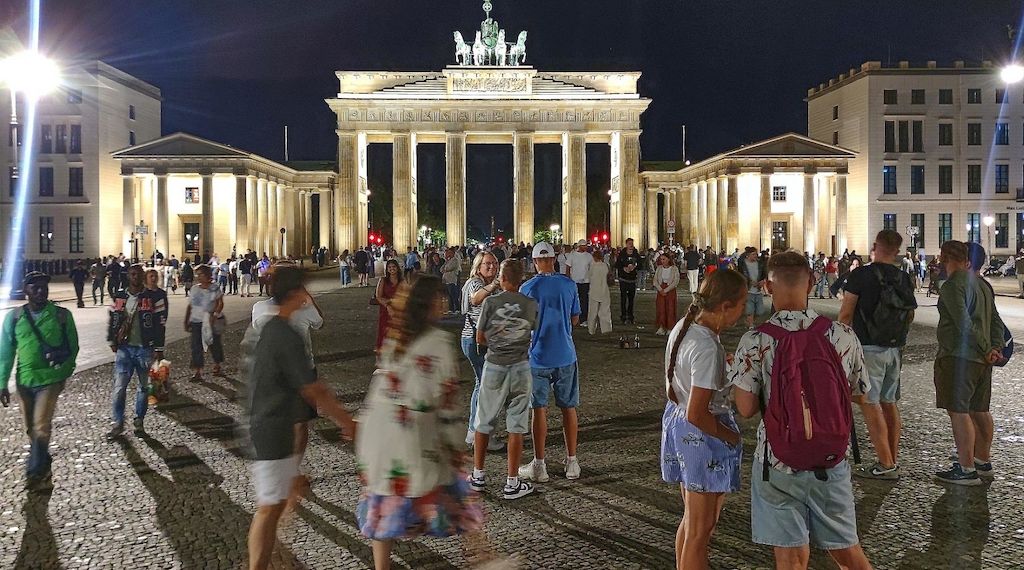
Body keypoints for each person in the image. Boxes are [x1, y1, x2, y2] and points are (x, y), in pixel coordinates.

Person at [727, 251, 871, 570]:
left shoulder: (754, 340)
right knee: (848, 552)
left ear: (767, 286)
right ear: (811, 284)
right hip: (830, 459)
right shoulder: (842, 336)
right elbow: (859, 394)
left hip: (776, 459)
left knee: (790, 558)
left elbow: (747, 408)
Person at [356, 276, 483, 569]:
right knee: (458, 498)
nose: (443, 302)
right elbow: (447, 405)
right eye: (439, 298)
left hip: (379, 439)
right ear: (430, 305)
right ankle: (480, 556)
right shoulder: (438, 343)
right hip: (414, 438)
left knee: (385, 505)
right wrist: (455, 450)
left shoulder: (395, 336)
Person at [245, 267, 355, 570]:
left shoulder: (275, 326)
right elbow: (312, 388)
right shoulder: (284, 333)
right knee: (268, 508)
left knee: (276, 502)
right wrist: (346, 422)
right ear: (296, 293)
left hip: (271, 423)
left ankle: (270, 559)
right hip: (272, 425)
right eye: (304, 290)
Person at [662, 269, 746, 570]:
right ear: (725, 306)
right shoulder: (707, 346)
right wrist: (731, 436)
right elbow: (698, 413)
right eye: (741, 305)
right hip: (701, 435)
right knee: (702, 529)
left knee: (692, 522)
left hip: (677, 423)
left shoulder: (685, 327)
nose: (742, 312)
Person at [839, 230, 917, 480]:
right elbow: (911, 314)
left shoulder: (861, 275)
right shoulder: (904, 277)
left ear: (875, 247)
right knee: (889, 402)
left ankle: (885, 465)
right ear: (897, 251)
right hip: (895, 348)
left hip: (868, 348)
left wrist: (840, 346)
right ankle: (891, 457)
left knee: (869, 403)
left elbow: (845, 315)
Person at [933, 240, 1005, 486]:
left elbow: (963, 323)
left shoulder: (953, 285)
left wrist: (986, 349)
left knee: (959, 411)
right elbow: (996, 320)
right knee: (980, 409)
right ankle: (982, 461)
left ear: (944, 258)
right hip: (982, 361)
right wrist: (995, 348)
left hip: (960, 357)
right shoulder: (983, 285)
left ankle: (966, 468)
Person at [0, 272, 79, 492]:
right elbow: (5, 352)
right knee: (30, 430)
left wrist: (63, 372)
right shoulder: (15, 317)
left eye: (44, 287)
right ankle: (43, 462)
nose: (41, 291)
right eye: (35, 288)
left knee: (41, 427)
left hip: (50, 380)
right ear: (26, 290)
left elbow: (73, 347)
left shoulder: (61, 316)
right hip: (24, 381)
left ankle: (34, 471)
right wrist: (2, 383)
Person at [469, 260, 538, 499]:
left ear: (502, 278)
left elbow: (479, 338)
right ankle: (512, 481)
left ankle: (478, 475)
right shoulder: (530, 304)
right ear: (521, 279)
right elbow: (531, 332)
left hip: (495, 365)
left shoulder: (490, 302)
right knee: (516, 424)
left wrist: (498, 342)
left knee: (484, 420)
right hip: (520, 366)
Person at [518, 242, 582, 482]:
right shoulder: (568, 284)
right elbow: (575, 319)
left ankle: (540, 464)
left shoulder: (527, 288)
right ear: (554, 259)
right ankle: (572, 461)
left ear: (534, 262)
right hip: (565, 353)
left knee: (539, 409)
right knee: (568, 407)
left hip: (538, 356)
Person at [106, 264, 168, 440]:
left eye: (138, 274)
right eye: (132, 274)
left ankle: (139, 420)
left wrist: (159, 348)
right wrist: (112, 339)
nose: (135, 277)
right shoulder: (120, 295)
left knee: (144, 387)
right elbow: (112, 319)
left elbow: (160, 323)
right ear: (128, 276)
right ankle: (118, 423)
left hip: (145, 348)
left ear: (143, 276)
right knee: (119, 388)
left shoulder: (153, 297)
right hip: (124, 349)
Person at [460, 251, 505, 451]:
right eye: (487, 263)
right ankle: (481, 434)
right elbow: (476, 299)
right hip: (475, 341)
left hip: (484, 341)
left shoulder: (491, 285)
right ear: (478, 266)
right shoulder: (475, 283)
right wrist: (494, 285)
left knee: (482, 385)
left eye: (495, 263)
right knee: (486, 387)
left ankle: (474, 432)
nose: (492, 267)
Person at [185, 265, 224, 381]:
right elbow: (190, 305)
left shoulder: (214, 288)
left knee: (214, 344)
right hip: (196, 321)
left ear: (207, 275)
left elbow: (220, 303)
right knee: (196, 346)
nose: (198, 277)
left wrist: (215, 314)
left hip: (210, 321)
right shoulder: (194, 289)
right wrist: (187, 320)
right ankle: (198, 371)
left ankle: (217, 365)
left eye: (201, 274)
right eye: (197, 274)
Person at [375, 260, 403, 352]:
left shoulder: (402, 281)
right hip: (386, 310)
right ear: (387, 269)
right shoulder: (383, 280)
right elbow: (378, 296)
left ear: (397, 268)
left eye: (394, 267)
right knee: (385, 331)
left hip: (398, 310)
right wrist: (388, 305)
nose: (392, 269)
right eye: (389, 267)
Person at [615, 238, 643, 324]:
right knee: (623, 299)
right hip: (623, 280)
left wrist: (635, 267)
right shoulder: (622, 254)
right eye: (629, 243)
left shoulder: (636, 255)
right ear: (626, 244)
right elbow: (617, 265)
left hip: (632, 280)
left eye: (632, 243)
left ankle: (630, 316)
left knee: (631, 300)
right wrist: (624, 268)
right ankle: (623, 316)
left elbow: (641, 265)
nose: (631, 245)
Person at [565, 240, 593, 327]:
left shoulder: (589, 256)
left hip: (585, 281)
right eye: (584, 246)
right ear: (579, 246)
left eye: (586, 246)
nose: (585, 247)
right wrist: (568, 278)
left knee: (584, 301)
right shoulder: (572, 255)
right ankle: (573, 318)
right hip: (575, 281)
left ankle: (583, 319)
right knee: (574, 301)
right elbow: (568, 267)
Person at [739, 249, 768, 329]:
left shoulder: (760, 264)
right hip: (748, 290)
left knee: (760, 311)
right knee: (749, 310)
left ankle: (749, 321)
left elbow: (764, 274)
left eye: (756, 254)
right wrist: (749, 282)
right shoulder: (743, 264)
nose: (755, 256)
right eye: (753, 254)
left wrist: (762, 281)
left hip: (758, 290)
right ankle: (751, 324)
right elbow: (740, 275)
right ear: (748, 255)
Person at [653, 252, 681, 336]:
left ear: (668, 259)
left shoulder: (674, 268)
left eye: (664, 259)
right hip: (661, 290)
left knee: (670, 309)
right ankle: (661, 326)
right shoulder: (659, 268)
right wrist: (660, 289)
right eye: (661, 259)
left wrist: (666, 290)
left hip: (670, 290)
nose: (662, 261)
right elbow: (655, 280)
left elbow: (675, 281)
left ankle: (670, 327)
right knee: (661, 308)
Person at [586, 250, 612, 335]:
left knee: (592, 311)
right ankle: (606, 328)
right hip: (604, 290)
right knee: (605, 311)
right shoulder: (606, 266)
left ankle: (591, 329)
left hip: (594, 290)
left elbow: (589, 277)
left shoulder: (593, 266)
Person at [441, 248, 461, 314]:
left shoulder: (455, 260)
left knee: (453, 294)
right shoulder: (448, 260)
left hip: (452, 280)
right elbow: (441, 269)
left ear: (453, 253)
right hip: (446, 280)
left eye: (449, 253)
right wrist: (446, 262)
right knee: (449, 295)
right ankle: (451, 309)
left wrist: (445, 269)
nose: (447, 254)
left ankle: (457, 308)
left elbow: (449, 268)